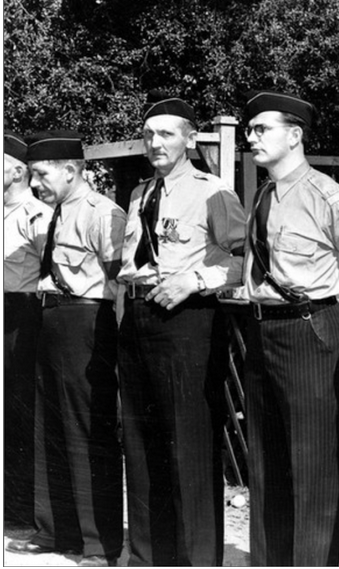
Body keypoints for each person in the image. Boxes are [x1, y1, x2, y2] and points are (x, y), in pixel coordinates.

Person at [241, 90, 339, 566]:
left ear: (294, 135)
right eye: (250, 128)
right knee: (267, 463)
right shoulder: (262, 194)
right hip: (263, 332)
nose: (250, 136)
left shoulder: (328, 195)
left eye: (262, 128)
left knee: (313, 468)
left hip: (310, 331)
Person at [116, 93, 247, 565]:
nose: (155, 142)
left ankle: (195, 559)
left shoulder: (213, 191)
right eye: (149, 133)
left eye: (167, 133)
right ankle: (149, 556)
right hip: (138, 318)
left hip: (186, 322)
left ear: (190, 139)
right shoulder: (139, 194)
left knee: (188, 446)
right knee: (141, 441)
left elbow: (245, 257)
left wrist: (196, 279)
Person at [10, 131, 126, 567]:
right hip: (52, 318)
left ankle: (99, 543)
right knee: (49, 426)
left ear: (71, 171)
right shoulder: (58, 212)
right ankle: (55, 530)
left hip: (85, 322)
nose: (36, 183)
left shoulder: (102, 213)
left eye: (41, 174)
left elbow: (118, 283)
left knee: (85, 432)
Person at [3, 132, 52, 535]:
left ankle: (20, 509)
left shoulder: (37, 214)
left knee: (19, 409)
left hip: (22, 313)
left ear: (17, 170)